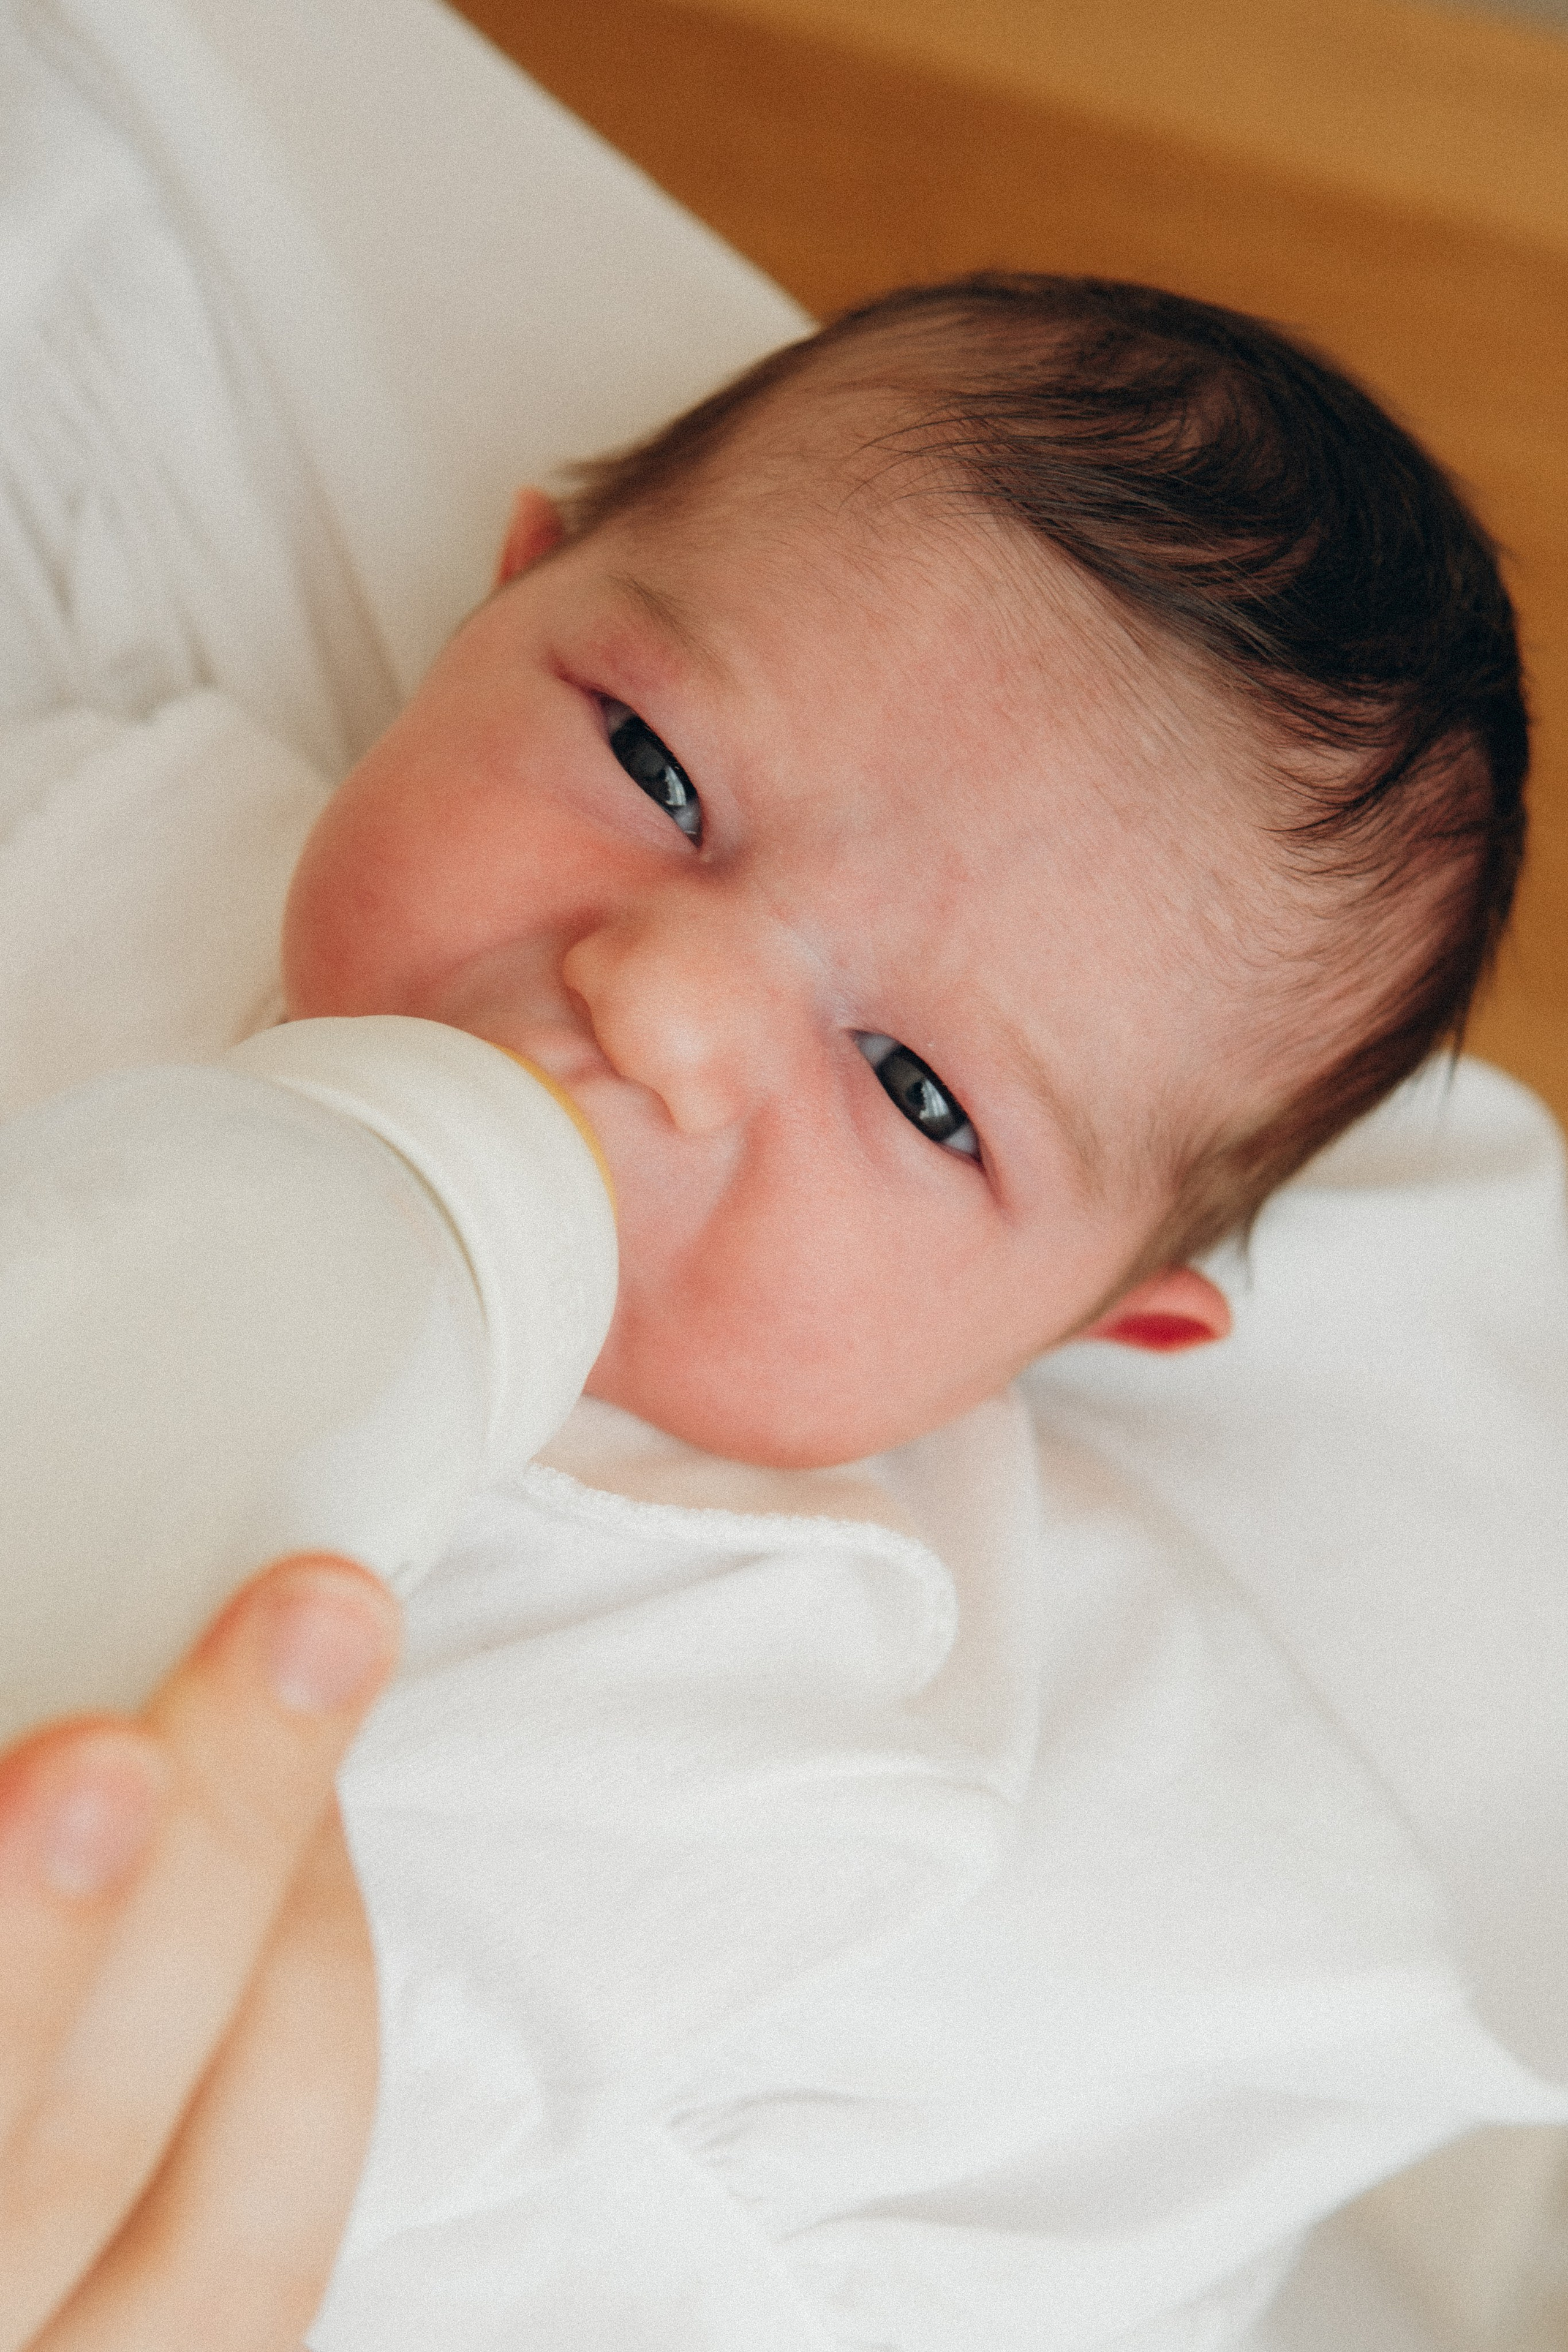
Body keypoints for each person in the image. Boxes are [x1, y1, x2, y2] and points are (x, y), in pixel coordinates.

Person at [0, 275, 1536, 2348]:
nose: (669, 1003)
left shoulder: (783, 1715)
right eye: (651, 760)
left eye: (921, 1097)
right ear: (507, 593)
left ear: (1084, 1328)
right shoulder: (101, 834)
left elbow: (428, 2150)